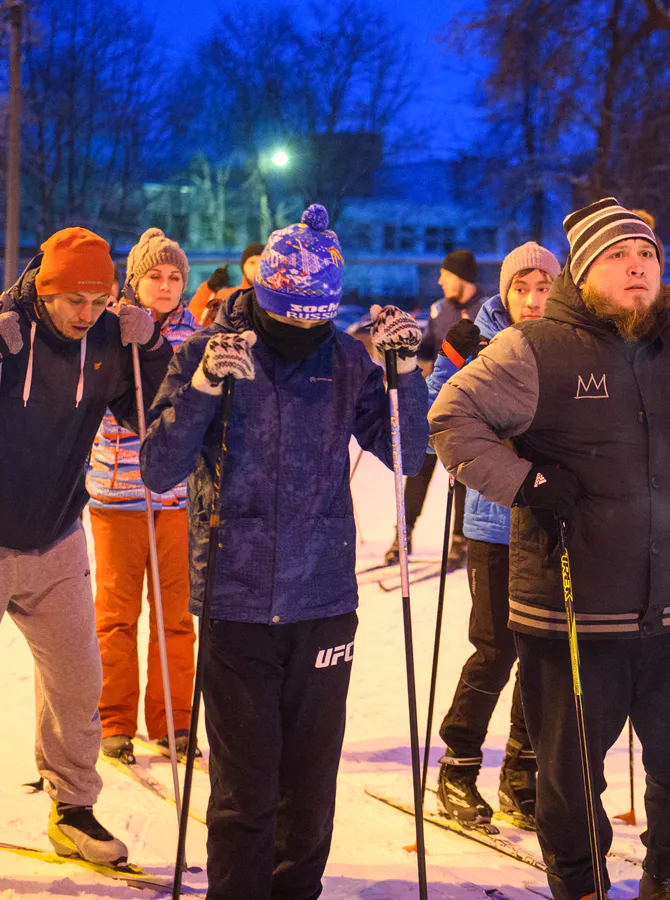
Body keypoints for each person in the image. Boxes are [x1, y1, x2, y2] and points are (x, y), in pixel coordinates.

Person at [430, 198, 670, 900]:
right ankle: (581, 884)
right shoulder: (533, 351)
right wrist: (523, 481)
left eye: (646, 254)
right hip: (572, 610)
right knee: (567, 774)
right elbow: (451, 417)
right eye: (619, 256)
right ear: (584, 271)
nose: (637, 266)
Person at [141, 204, 428, 900]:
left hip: (324, 600)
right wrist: (206, 387)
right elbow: (158, 468)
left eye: (317, 316)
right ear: (266, 296)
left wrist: (407, 372)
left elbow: (408, 452)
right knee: (245, 788)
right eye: (291, 314)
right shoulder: (208, 351)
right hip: (237, 600)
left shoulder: (344, 358)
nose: (304, 328)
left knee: (308, 785)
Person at [0, 226, 170, 865]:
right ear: (46, 290)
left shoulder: (106, 340)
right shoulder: (8, 327)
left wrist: (148, 346)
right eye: (76, 300)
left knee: (77, 682)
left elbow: (147, 413)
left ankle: (73, 808)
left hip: (56, 540)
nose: (88, 314)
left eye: (100, 301)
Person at [425, 241, 561, 829]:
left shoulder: (569, 339)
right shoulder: (472, 339)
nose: (532, 300)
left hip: (556, 517)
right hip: (493, 521)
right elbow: (438, 409)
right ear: (503, 292)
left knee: (545, 648)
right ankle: (457, 767)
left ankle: (522, 771)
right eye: (521, 289)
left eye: (543, 288)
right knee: (496, 647)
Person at [87, 228, 200, 765]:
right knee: (115, 614)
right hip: (117, 495)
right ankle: (113, 720)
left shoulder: (197, 336)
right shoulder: (108, 329)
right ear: (134, 281)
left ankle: (174, 720)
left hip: (178, 497)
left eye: (175, 276)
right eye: (154, 275)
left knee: (176, 615)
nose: (165, 284)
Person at [384, 248, 483, 567]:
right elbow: (427, 345)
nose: (440, 280)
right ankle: (404, 533)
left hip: (472, 408)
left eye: (446, 275)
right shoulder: (440, 309)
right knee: (419, 466)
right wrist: (404, 352)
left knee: (465, 472)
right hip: (437, 403)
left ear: (463, 278)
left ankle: (460, 539)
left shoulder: (486, 310)